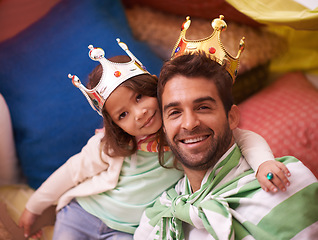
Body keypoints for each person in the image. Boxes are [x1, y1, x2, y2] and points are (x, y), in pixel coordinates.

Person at [18, 39, 289, 240]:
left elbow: (243, 138)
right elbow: (70, 173)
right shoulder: (112, 147)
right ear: (116, 125)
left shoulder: (182, 132)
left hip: (126, 232)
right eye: (124, 114)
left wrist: (264, 163)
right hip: (83, 215)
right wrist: (33, 208)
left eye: (140, 97)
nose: (140, 113)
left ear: (154, 89)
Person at [134, 50, 318, 239]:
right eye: (175, 112)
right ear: (164, 129)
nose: (189, 124)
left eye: (203, 107)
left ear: (232, 118)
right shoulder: (158, 217)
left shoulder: (285, 182)